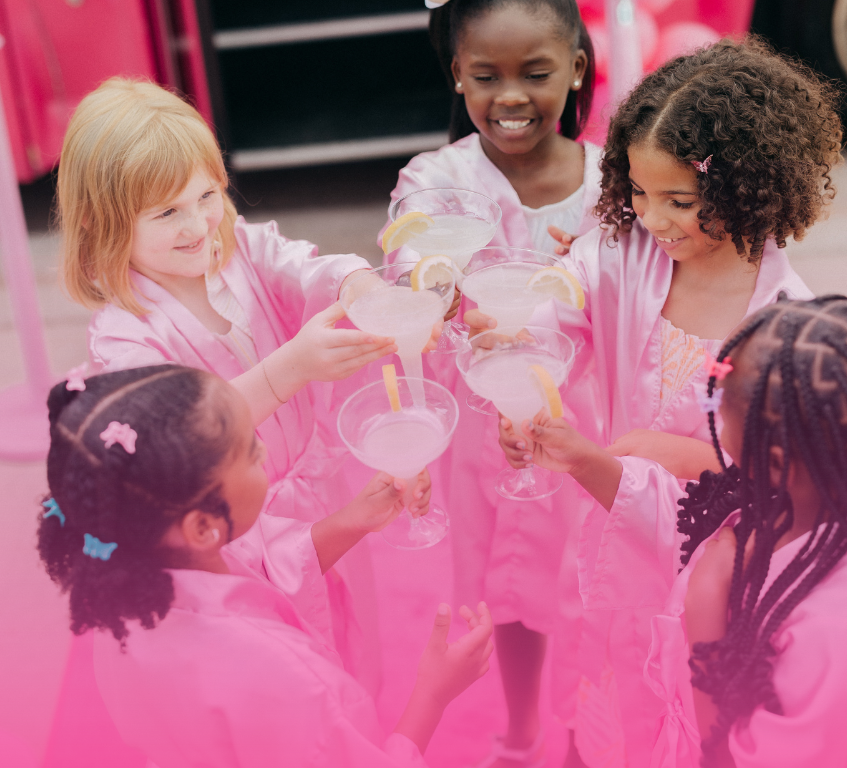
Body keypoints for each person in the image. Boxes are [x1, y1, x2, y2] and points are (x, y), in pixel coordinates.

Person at [487, 39, 843, 766]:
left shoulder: (787, 322)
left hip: (715, 585)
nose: (652, 219)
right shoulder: (622, 255)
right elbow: (556, 316)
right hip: (614, 558)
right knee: (607, 713)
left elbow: (794, 483)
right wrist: (519, 390)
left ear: (750, 186)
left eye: (679, 201)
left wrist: (658, 453)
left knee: (701, 726)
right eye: (638, 194)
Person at [57, 77, 424, 691]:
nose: (199, 224)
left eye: (207, 195)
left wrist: (356, 284)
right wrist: (292, 368)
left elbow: (302, 266)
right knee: (289, 669)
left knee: (353, 636)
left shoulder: (236, 246)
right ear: (103, 222)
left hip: (318, 486)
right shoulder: (123, 339)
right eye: (168, 211)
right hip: (236, 530)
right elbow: (178, 437)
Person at [521, 297, 847, 767]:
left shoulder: (839, 629)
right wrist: (586, 462)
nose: (715, 424)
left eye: (723, 414)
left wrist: (705, 603)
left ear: (774, 462)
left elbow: (731, 754)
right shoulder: (791, 498)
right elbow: (680, 524)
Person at [37, 364, 496, 768]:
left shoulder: (121, 592)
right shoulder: (291, 677)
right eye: (250, 452)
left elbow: (258, 565)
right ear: (202, 527)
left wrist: (352, 521)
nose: (263, 451)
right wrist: (433, 691)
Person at [386, 1, 600, 763]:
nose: (511, 96)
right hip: (483, 437)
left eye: (535, 73)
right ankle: (522, 726)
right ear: (457, 76)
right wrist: (444, 301)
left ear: (576, 67)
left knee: (585, 586)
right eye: (486, 76)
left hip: (586, 425)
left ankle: (587, 730)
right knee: (508, 582)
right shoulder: (436, 181)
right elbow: (411, 270)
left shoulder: (615, 183)